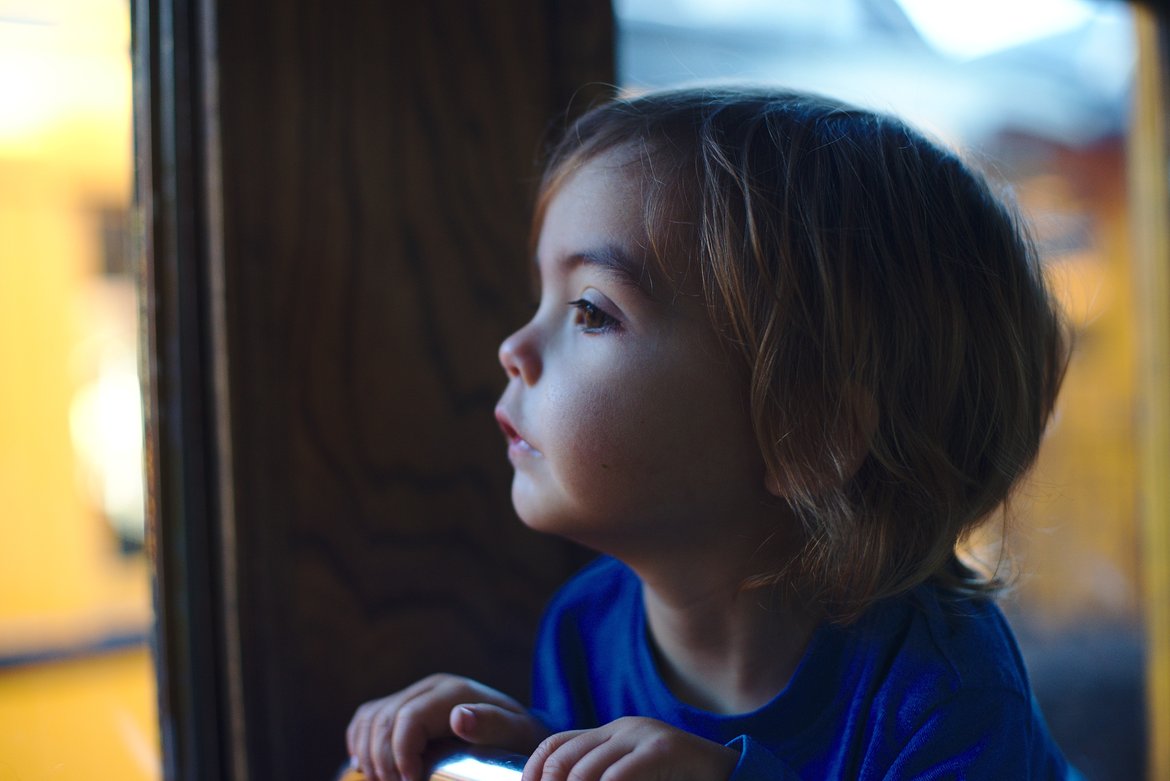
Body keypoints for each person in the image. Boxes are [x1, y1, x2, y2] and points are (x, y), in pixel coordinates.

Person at [345, 87, 1079, 781]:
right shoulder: (583, 629)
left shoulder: (944, 684)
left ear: (806, 436)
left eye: (591, 310)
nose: (514, 346)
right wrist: (520, 747)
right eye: (543, 296)